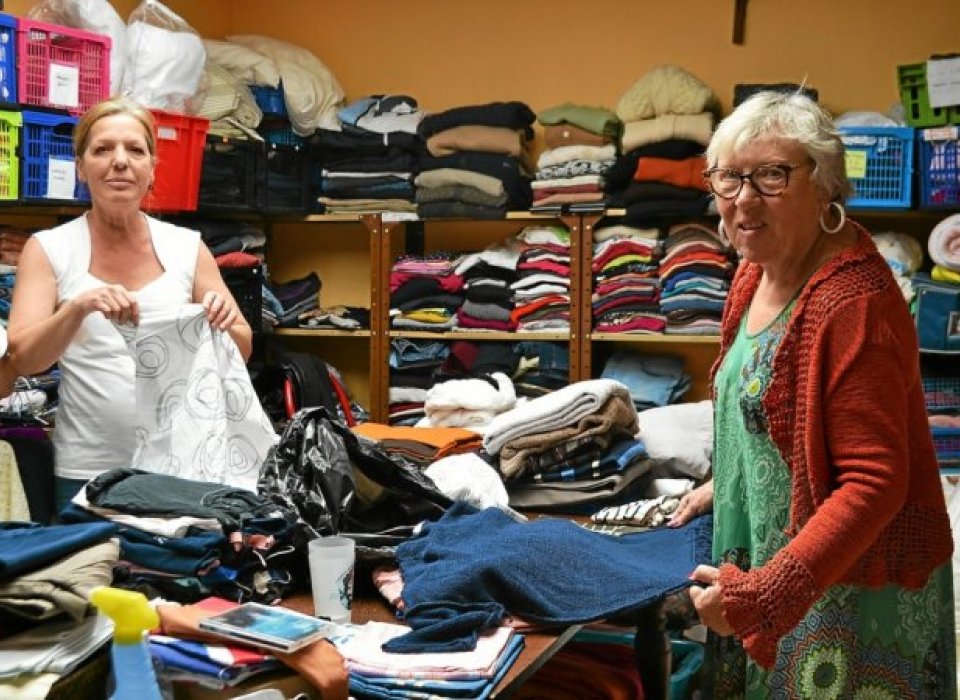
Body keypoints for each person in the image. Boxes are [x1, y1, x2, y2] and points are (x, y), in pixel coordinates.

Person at [683, 91, 956, 697]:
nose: (744, 199)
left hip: (845, 592)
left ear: (826, 185)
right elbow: (763, 413)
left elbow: (873, 481)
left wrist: (768, 594)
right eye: (729, 177)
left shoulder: (854, 302)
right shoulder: (756, 269)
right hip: (773, 566)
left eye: (773, 175)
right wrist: (725, 482)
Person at [8, 96, 252, 513]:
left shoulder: (185, 248)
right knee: (89, 577)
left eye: (135, 150)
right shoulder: (49, 249)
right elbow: (23, 357)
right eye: (102, 149)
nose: (120, 161)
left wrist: (224, 323)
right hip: (88, 471)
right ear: (81, 168)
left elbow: (241, 348)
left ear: (152, 169)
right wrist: (78, 308)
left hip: (180, 465)